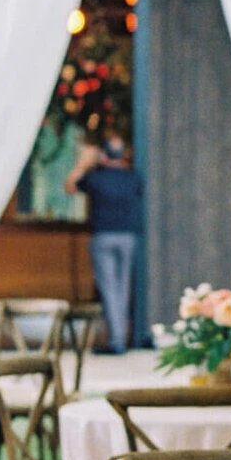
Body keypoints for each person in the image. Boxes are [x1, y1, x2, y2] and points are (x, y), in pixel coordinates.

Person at [65, 132, 143, 353]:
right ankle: (120, 338)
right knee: (123, 288)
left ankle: (116, 341)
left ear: (103, 155)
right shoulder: (132, 178)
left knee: (110, 289)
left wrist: (83, 163)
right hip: (128, 237)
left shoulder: (96, 178)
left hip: (104, 237)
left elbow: (70, 186)